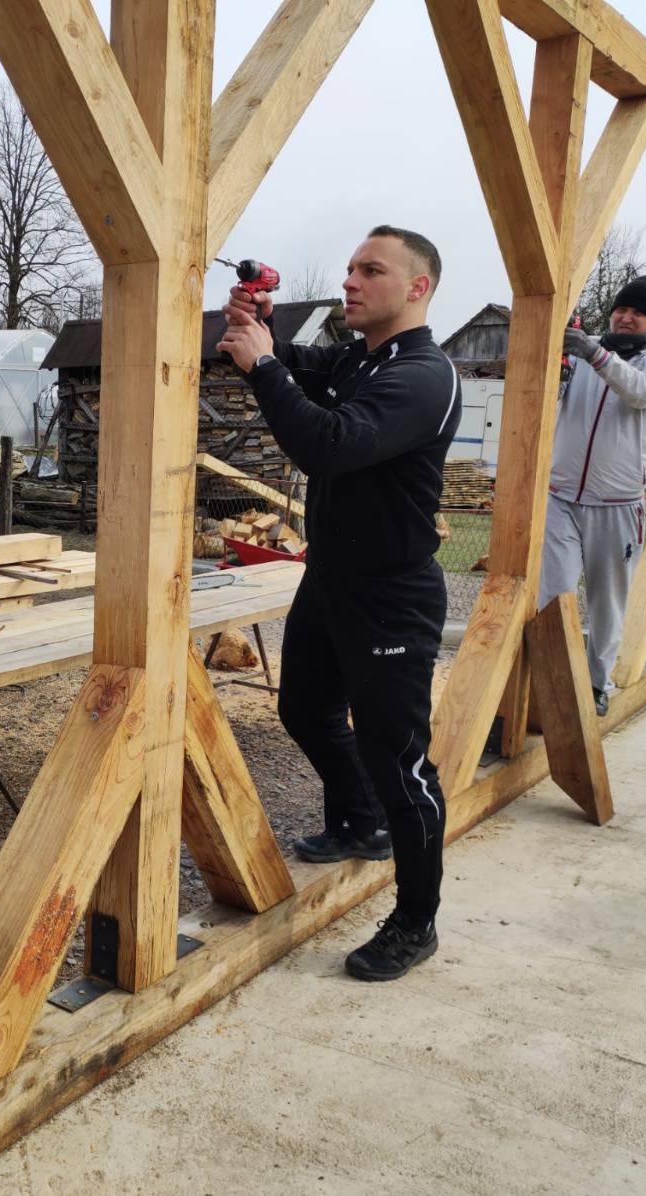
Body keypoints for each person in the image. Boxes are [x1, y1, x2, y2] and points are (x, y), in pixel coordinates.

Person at [217, 225, 460, 981]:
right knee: (303, 710)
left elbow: (326, 441)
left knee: (402, 764)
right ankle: (360, 823)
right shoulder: (362, 356)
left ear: (417, 288)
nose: (351, 281)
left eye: (371, 270)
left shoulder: (423, 376)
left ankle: (416, 922)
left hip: (392, 593)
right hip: (331, 580)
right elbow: (295, 365)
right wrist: (254, 329)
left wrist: (263, 368)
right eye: (352, 268)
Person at [543, 275, 646, 714]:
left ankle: (595, 684)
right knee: (553, 595)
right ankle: (548, 683)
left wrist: (594, 354)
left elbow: (645, 394)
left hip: (619, 505)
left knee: (607, 602)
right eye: (622, 309)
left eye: (638, 312)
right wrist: (559, 369)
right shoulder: (579, 350)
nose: (626, 317)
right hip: (560, 496)